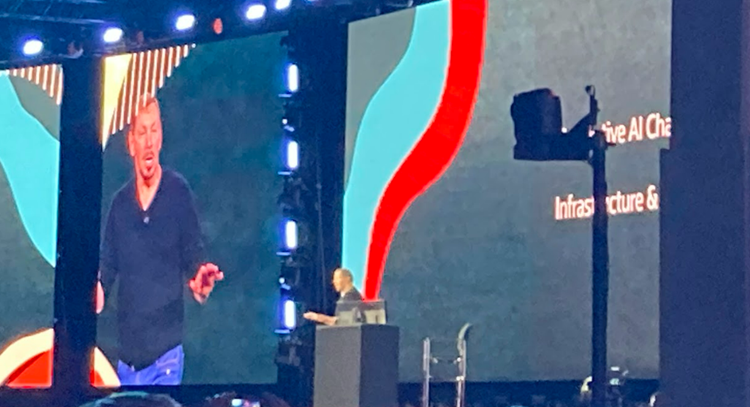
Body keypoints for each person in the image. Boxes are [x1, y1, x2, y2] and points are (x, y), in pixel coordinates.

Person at [97, 95, 224, 385]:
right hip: (127, 364)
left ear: (161, 136)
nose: (149, 140)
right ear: (131, 144)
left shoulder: (177, 192)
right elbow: (107, 265)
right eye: (142, 132)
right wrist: (96, 290)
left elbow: (193, 253)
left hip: (165, 359)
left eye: (154, 130)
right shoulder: (120, 205)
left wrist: (200, 279)